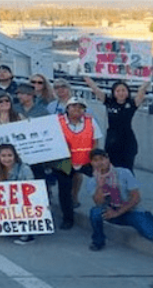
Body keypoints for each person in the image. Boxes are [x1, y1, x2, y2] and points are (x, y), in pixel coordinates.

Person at [85, 148, 153, 251]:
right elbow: (99, 203)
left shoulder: (124, 173)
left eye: (102, 159)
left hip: (129, 210)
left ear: (108, 159)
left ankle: (149, 219)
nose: (99, 163)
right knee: (95, 212)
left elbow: (136, 197)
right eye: (95, 160)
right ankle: (98, 241)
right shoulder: (92, 181)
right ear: (91, 163)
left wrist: (117, 213)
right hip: (109, 211)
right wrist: (100, 185)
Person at [82, 75, 149, 171]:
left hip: (127, 140)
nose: (121, 93)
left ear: (127, 92)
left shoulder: (131, 104)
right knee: (111, 168)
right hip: (112, 139)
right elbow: (96, 89)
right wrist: (87, 78)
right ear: (114, 93)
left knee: (127, 169)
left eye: (123, 90)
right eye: (118, 91)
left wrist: (148, 78)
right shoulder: (109, 102)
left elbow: (142, 91)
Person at [55, 97, 103, 229]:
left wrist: (96, 162)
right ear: (67, 108)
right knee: (64, 191)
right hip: (65, 162)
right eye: (73, 106)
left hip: (86, 161)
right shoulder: (58, 122)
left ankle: (109, 208)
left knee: (105, 181)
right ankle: (67, 219)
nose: (76, 109)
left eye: (80, 107)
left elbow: (95, 142)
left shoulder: (90, 121)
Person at [0, 143, 36, 244]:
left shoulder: (24, 169)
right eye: (3, 156)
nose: (7, 159)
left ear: (15, 156)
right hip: (6, 202)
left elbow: (33, 188)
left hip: (23, 201)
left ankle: (27, 234)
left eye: (10, 155)